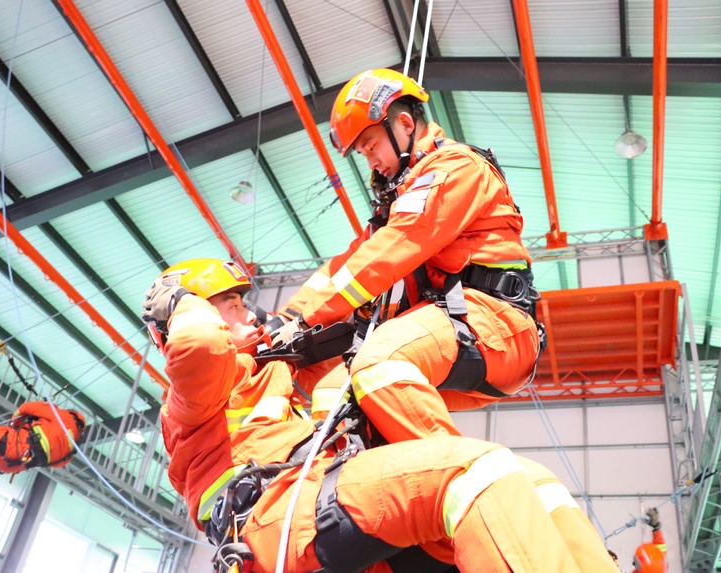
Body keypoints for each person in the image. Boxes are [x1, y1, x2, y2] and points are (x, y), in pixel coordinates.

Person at [141, 259, 618, 573]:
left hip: (320, 502)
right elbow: (199, 348)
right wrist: (181, 302)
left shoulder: (272, 369)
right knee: (473, 472)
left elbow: (328, 322)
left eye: (243, 302)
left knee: (533, 482)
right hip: (276, 517)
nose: (248, 314)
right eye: (229, 304)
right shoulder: (190, 398)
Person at [271, 68, 542, 443]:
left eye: (372, 147)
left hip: (495, 323)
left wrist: (306, 321)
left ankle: (453, 476)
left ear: (403, 124)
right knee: (332, 396)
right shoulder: (398, 201)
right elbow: (345, 266)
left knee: (377, 365)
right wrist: (287, 317)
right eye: (363, 154)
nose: (371, 163)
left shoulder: (454, 168)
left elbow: (392, 250)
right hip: (452, 325)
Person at [631, 507, 667, 573]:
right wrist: (656, 527)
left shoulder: (655, 564)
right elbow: (659, 544)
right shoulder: (658, 560)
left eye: (636, 563)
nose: (633, 563)